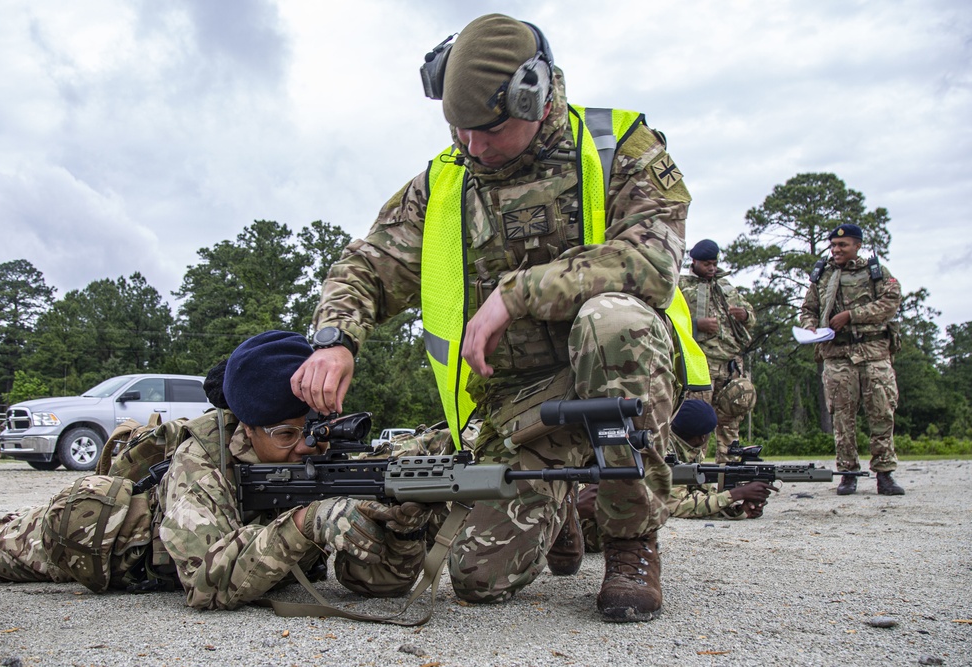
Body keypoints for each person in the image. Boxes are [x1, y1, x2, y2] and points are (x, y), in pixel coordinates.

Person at [290, 13, 708, 622]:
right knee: (478, 579)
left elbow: (649, 262)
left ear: (535, 97)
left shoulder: (620, 147)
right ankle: (563, 501)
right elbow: (367, 265)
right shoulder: (444, 181)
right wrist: (334, 340)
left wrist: (517, 294)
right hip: (519, 412)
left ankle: (630, 544)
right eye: (458, 128)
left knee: (614, 320)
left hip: (612, 385)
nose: (471, 145)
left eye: (488, 130)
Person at [0, 330, 428, 647]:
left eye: (313, 434)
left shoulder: (320, 457)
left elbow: (378, 586)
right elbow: (205, 583)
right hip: (72, 544)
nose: (305, 450)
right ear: (246, 427)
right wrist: (307, 523)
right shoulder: (201, 458)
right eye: (285, 436)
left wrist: (404, 531)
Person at [577, 400, 775, 551]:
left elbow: (696, 493)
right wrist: (736, 494)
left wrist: (737, 508)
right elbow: (677, 504)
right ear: (701, 437)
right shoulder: (664, 451)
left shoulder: (682, 448)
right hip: (590, 525)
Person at [800, 224, 904, 496]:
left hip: (873, 353)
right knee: (842, 419)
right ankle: (847, 474)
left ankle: (884, 474)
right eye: (833, 246)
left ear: (857, 245)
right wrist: (811, 327)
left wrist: (852, 315)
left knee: (882, 413)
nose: (836, 250)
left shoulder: (875, 272)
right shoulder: (823, 275)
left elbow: (890, 303)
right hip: (837, 356)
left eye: (842, 246)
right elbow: (808, 308)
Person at [679, 239, 756, 463]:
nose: (712, 268)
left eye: (714, 263)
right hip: (701, 363)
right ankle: (694, 470)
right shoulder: (682, 286)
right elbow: (668, 320)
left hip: (730, 363)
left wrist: (745, 315)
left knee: (732, 416)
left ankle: (729, 468)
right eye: (707, 264)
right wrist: (696, 325)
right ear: (694, 262)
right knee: (698, 420)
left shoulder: (726, 286)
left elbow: (751, 316)